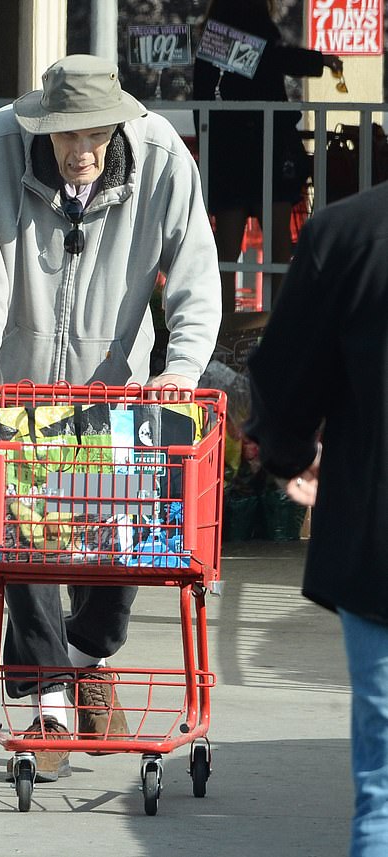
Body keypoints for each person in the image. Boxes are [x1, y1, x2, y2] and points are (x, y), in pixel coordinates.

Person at [0, 54, 222, 783]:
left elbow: (195, 269)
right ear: (41, 125)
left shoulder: (163, 157)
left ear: (118, 124)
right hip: (23, 386)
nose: (80, 151)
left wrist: (180, 370)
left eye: (94, 135)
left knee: (124, 551)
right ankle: (53, 704)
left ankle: (82, 659)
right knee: (27, 543)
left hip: (119, 392)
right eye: (66, 136)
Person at [244, 180, 388, 857]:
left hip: (377, 544)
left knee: (383, 793)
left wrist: (288, 451)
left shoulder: (348, 234)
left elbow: (288, 371)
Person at [193, 0, 343, 318]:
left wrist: (207, 145)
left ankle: (226, 329)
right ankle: (277, 325)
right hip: (268, 145)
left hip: (229, 150)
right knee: (275, 247)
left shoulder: (215, 36)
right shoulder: (252, 29)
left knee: (228, 251)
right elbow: (271, 59)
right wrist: (319, 61)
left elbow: (202, 95)